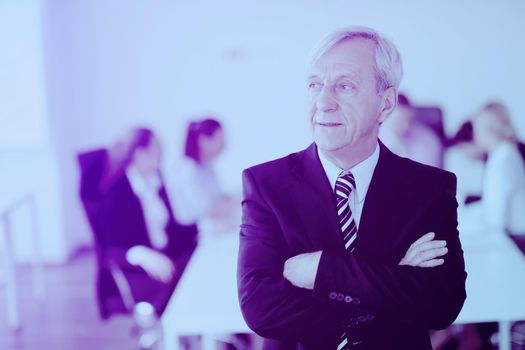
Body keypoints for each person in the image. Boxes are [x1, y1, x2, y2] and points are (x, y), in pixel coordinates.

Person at [237, 26, 466, 349]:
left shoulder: (429, 188)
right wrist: (394, 277)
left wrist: (323, 272)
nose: (323, 102)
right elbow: (262, 310)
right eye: (315, 84)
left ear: (385, 104)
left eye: (344, 86)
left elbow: (443, 304)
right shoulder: (266, 185)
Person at [88, 128, 198, 318]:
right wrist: (142, 254)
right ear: (139, 153)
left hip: (167, 255)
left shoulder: (156, 180)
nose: (162, 153)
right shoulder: (117, 191)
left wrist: (202, 228)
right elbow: (109, 248)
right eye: (157, 148)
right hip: (139, 269)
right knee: (191, 288)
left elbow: (171, 229)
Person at [169, 118, 239, 230]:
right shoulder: (188, 169)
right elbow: (209, 210)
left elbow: (218, 198)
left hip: (213, 227)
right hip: (195, 235)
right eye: (220, 139)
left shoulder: (206, 166)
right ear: (203, 141)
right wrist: (240, 199)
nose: (223, 145)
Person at [472, 102, 525, 243]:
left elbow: (496, 219)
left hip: (515, 239)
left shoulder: (501, 159)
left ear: (485, 130)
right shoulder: (506, 152)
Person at [379, 93, 443, 167]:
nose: (403, 125)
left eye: (406, 119)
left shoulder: (429, 141)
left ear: (412, 116)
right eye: (397, 121)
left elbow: (430, 175)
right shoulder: (375, 138)